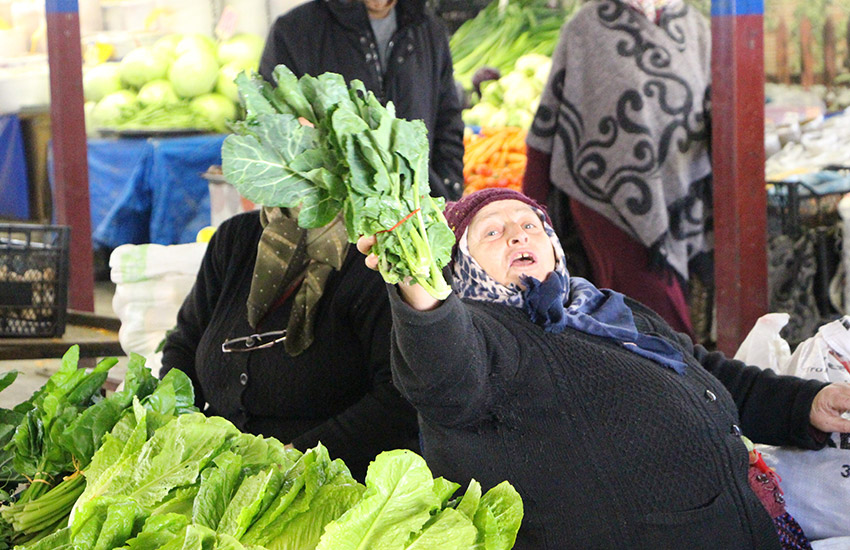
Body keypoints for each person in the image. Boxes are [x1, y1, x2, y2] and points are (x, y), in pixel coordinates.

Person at [356, 187, 850, 549]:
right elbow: (444, 376)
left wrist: (804, 403)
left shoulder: (600, 307)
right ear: (460, 266)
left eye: (530, 225)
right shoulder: (484, 332)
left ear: (553, 244)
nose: (516, 234)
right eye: (492, 232)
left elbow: (701, 371)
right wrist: (417, 286)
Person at [160, 207, 420, 481]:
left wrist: (293, 458)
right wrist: (180, 433)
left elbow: (401, 401)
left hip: (333, 484)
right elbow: (184, 344)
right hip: (220, 473)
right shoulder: (235, 237)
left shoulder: (375, 256)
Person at [522, 0, 712, 340]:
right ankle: (678, 386)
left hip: (678, 197)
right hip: (606, 197)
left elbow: (711, 106)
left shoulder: (692, 25)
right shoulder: (588, 26)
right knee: (657, 320)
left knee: (658, 318)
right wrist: (531, 216)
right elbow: (549, 121)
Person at [259, 0, 465, 201]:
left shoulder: (428, 28)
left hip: (416, 216)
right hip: (330, 220)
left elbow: (447, 121)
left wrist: (446, 192)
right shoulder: (294, 31)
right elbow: (271, 127)